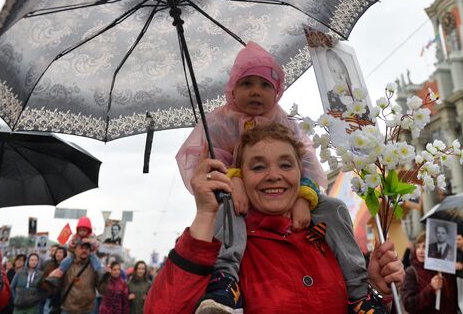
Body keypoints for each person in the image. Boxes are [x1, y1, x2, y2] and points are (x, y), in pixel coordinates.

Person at [176, 42, 372, 313]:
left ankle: (360, 292)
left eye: (265, 85)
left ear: (277, 91)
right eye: (247, 84)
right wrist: (234, 180)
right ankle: (226, 280)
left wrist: (304, 197)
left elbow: (307, 167)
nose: (256, 91)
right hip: (240, 204)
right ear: (232, 88)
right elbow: (210, 166)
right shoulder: (220, 123)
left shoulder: (287, 123)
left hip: (291, 202)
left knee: (334, 207)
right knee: (225, 207)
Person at [148, 123, 404, 313]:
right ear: (240, 177)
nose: (273, 175)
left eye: (285, 165)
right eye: (258, 167)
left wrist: (378, 290)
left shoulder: (328, 236)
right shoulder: (224, 245)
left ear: (300, 174)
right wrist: (205, 214)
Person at [402, 232, 457, 314]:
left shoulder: (442, 270)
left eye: (425, 247)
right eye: (418, 247)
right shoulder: (412, 272)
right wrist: (431, 288)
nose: (420, 251)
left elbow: (452, 299)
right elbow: (409, 305)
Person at [46, 217, 102, 286]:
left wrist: (90, 241)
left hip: (90, 254)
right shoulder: (75, 237)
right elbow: (69, 246)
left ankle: (100, 273)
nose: (82, 232)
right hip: (75, 255)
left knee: (94, 258)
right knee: (67, 259)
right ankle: (59, 273)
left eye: (84, 230)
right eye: (80, 230)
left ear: (88, 231)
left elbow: (97, 245)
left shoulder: (92, 236)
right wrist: (73, 243)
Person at [59, 239, 103, 314]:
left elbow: (102, 289)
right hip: (68, 309)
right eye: (81, 248)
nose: (84, 250)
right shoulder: (67, 264)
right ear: (75, 250)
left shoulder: (94, 266)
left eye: (86, 248)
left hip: (87, 310)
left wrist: (105, 278)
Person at [41, 247, 67, 314]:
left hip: (63, 299)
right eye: (57, 252)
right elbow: (43, 280)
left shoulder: (68, 267)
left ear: (65, 254)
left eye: (60, 252)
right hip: (50, 297)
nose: (58, 254)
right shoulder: (50, 266)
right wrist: (49, 288)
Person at [325, 48, 352, 112]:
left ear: (347, 71)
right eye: (334, 71)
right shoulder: (330, 97)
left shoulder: (358, 93)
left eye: (342, 72)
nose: (339, 77)